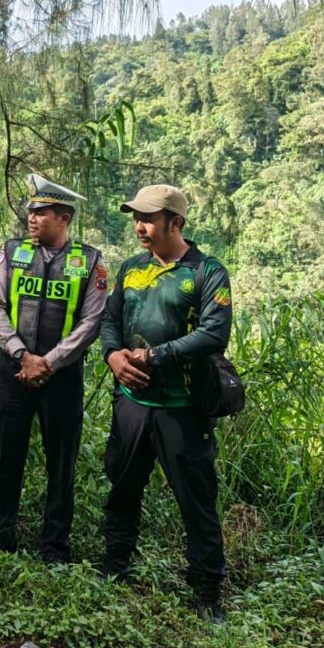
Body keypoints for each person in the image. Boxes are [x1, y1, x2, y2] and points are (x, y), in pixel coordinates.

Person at [100, 184, 232, 623]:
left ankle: (207, 592)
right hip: (132, 402)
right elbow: (110, 320)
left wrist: (155, 356)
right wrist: (114, 356)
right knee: (122, 487)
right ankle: (115, 566)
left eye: (148, 219)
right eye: (136, 218)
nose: (139, 227)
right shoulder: (132, 268)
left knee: (196, 500)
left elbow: (213, 334)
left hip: (184, 407)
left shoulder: (207, 271)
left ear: (175, 222)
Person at [0, 173, 109, 565]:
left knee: (61, 463)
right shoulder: (11, 252)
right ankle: (1, 537)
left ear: (64, 218)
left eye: (41, 213)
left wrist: (49, 362)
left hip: (62, 379)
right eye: (30, 211)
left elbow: (91, 322)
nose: (32, 218)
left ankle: (55, 547)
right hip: (15, 373)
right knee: (8, 456)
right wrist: (23, 356)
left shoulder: (90, 261)